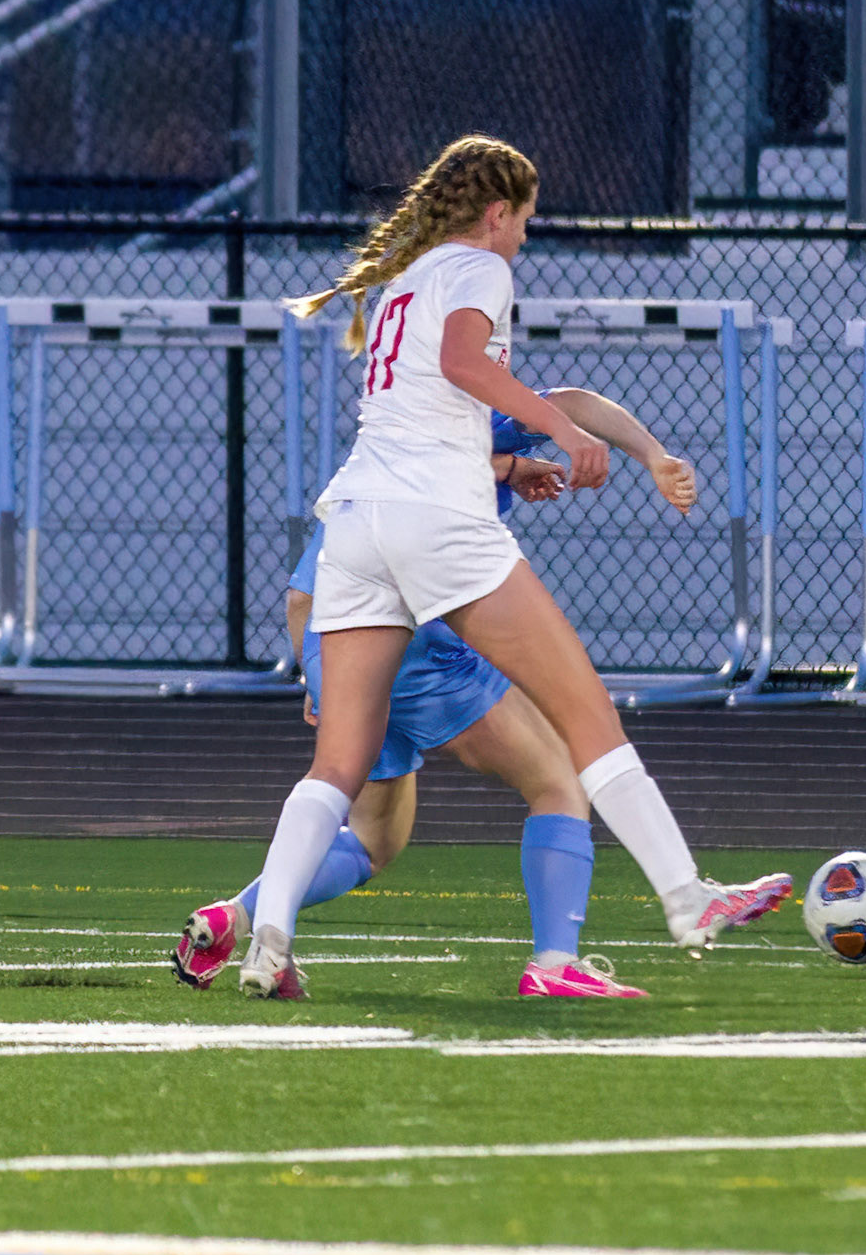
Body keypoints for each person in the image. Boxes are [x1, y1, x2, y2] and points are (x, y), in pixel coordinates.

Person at [234, 133, 791, 998]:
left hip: (354, 525)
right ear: (496, 213)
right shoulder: (479, 268)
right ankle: (687, 900)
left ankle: (266, 945)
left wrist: (549, 443)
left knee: (335, 767)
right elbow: (463, 365)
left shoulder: (405, 278)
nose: (525, 237)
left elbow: (445, 392)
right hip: (436, 521)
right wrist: (562, 434)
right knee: (586, 719)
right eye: (524, 220)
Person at [172, 387, 699, 1000]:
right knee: (559, 777)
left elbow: (300, 596)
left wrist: (314, 676)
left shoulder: (379, 454)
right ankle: (558, 960)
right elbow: (569, 405)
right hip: (417, 646)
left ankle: (236, 918)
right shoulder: (452, 412)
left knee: (373, 838)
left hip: (336, 642)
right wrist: (651, 455)